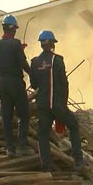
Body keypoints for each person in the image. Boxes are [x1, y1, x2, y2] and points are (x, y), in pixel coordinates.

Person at [30, 30, 85, 171]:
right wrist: (63, 104)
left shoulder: (35, 62)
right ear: (52, 44)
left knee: (43, 135)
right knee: (73, 125)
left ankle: (46, 166)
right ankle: (78, 161)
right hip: (57, 104)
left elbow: (34, 85)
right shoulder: (58, 60)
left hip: (42, 105)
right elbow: (64, 83)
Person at [0, 14, 32, 156]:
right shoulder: (16, 44)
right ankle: (21, 145)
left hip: (3, 83)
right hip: (15, 82)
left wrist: (17, 48)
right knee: (24, 114)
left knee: (6, 115)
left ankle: (9, 148)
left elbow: (3, 54)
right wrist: (33, 73)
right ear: (13, 29)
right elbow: (22, 63)